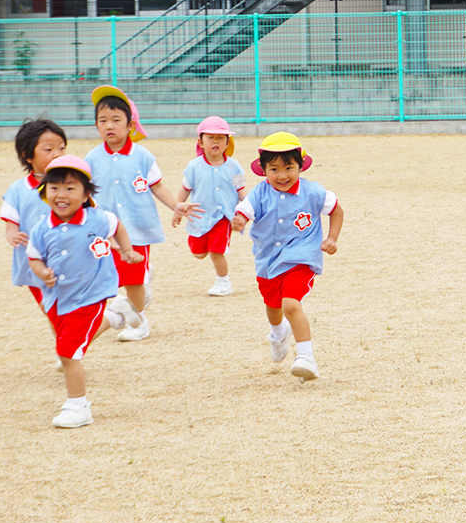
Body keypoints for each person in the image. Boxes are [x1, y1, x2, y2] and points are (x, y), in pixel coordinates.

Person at [24, 156, 140, 428]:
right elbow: (33, 257)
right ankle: (117, 316)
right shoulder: (42, 227)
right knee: (67, 342)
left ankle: (77, 405)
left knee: (67, 352)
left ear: (86, 193)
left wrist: (126, 249)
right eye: (54, 188)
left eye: (70, 188)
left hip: (91, 294)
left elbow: (117, 227)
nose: (61, 195)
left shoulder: (97, 219)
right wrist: (42, 272)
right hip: (57, 298)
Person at [83, 85, 200, 340]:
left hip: (137, 229)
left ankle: (138, 323)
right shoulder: (90, 159)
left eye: (116, 120)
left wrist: (176, 205)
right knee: (111, 278)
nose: (109, 126)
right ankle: (138, 291)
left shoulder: (143, 157)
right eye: (103, 121)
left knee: (133, 279)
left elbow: (157, 186)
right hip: (106, 232)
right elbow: (85, 196)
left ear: (130, 125)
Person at [230, 133, 344, 381]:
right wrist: (239, 220)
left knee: (290, 304)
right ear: (263, 169)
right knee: (273, 307)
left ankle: (306, 357)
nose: (282, 176)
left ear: (300, 167)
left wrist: (332, 238)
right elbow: (244, 210)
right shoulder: (259, 193)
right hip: (268, 261)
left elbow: (336, 210)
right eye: (274, 169)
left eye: (289, 167)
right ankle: (278, 334)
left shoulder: (313, 192)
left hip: (302, 258)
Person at [0, 116, 69, 369]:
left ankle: (68, 348)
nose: (57, 153)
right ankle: (65, 348)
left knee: (67, 308)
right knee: (51, 310)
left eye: (61, 147)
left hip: (67, 257)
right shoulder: (18, 190)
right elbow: (11, 221)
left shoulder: (70, 184)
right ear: (27, 155)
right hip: (34, 263)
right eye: (48, 149)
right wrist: (12, 235)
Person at [172, 116, 248, 296]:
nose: (216, 141)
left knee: (216, 251)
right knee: (199, 253)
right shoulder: (194, 166)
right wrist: (178, 207)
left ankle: (224, 282)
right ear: (200, 141)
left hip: (223, 217)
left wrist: (245, 211)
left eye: (221, 138)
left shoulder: (234, 165)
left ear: (228, 142)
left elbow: (241, 189)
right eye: (211, 137)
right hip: (200, 216)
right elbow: (185, 189)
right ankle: (203, 252)